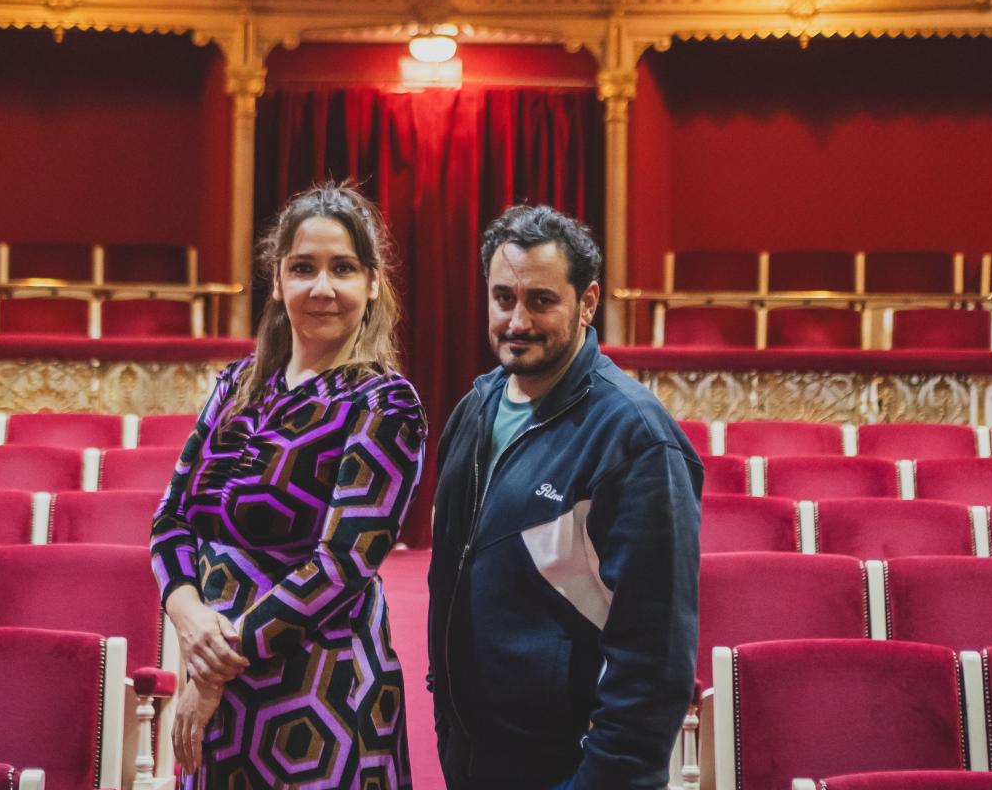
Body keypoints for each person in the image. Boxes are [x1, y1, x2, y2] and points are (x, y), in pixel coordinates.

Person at [151, 182, 425, 790]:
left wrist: (212, 671)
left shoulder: (383, 402)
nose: (321, 288)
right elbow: (171, 522)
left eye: (343, 269)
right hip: (217, 680)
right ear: (277, 281)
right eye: (303, 268)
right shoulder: (237, 384)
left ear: (373, 284)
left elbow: (342, 563)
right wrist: (191, 618)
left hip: (319, 695)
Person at [428, 204, 703, 790]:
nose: (517, 319)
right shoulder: (473, 411)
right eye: (504, 298)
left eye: (542, 301)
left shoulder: (636, 438)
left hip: (575, 770)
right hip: (476, 760)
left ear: (588, 302)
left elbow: (654, 659)